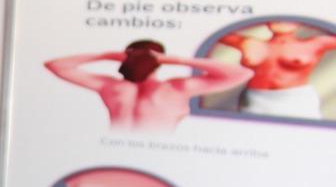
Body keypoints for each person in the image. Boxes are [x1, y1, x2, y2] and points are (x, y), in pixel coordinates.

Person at [45, 39, 250, 131]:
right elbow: (56, 66)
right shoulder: (113, 87)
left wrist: (175, 59)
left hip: (159, 153)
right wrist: (107, 55)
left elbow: (242, 74)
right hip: (113, 149)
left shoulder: (177, 88)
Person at [217, 20, 336, 118]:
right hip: (256, 100)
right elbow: (213, 30)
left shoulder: (315, 44)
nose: (280, 22)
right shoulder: (248, 43)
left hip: (297, 99)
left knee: (303, 137)